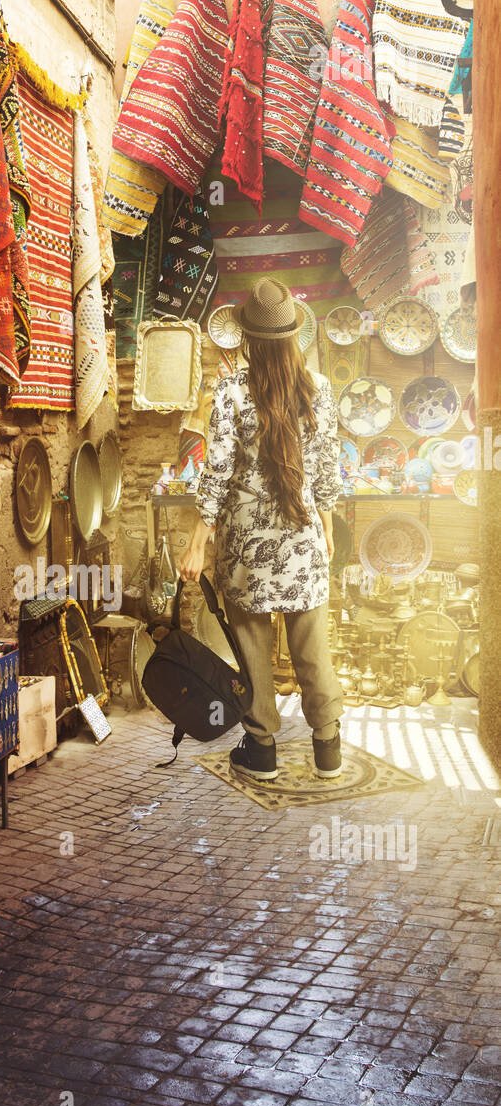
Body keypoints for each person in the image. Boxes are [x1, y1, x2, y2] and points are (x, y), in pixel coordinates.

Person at [180, 277, 344, 781]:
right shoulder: (319, 389)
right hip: (303, 537)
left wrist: (196, 542)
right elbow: (326, 468)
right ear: (294, 335)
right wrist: (328, 526)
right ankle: (327, 749)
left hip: (247, 546)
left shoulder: (232, 390)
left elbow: (219, 470)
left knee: (250, 641)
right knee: (312, 645)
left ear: (249, 338)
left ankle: (263, 749)